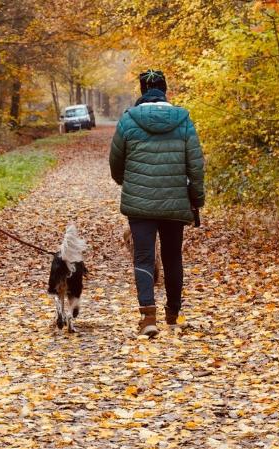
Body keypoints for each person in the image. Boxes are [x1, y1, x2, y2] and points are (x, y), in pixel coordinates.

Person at [109, 70, 205, 338]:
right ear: (166, 90)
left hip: (140, 203)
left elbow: (115, 162)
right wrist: (196, 199)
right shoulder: (183, 121)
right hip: (175, 201)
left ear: (142, 91)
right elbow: (195, 165)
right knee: (173, 257)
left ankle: (147, 318)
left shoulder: (128, 121)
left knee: (143, 256)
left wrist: (126, 182)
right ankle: (173, 317)